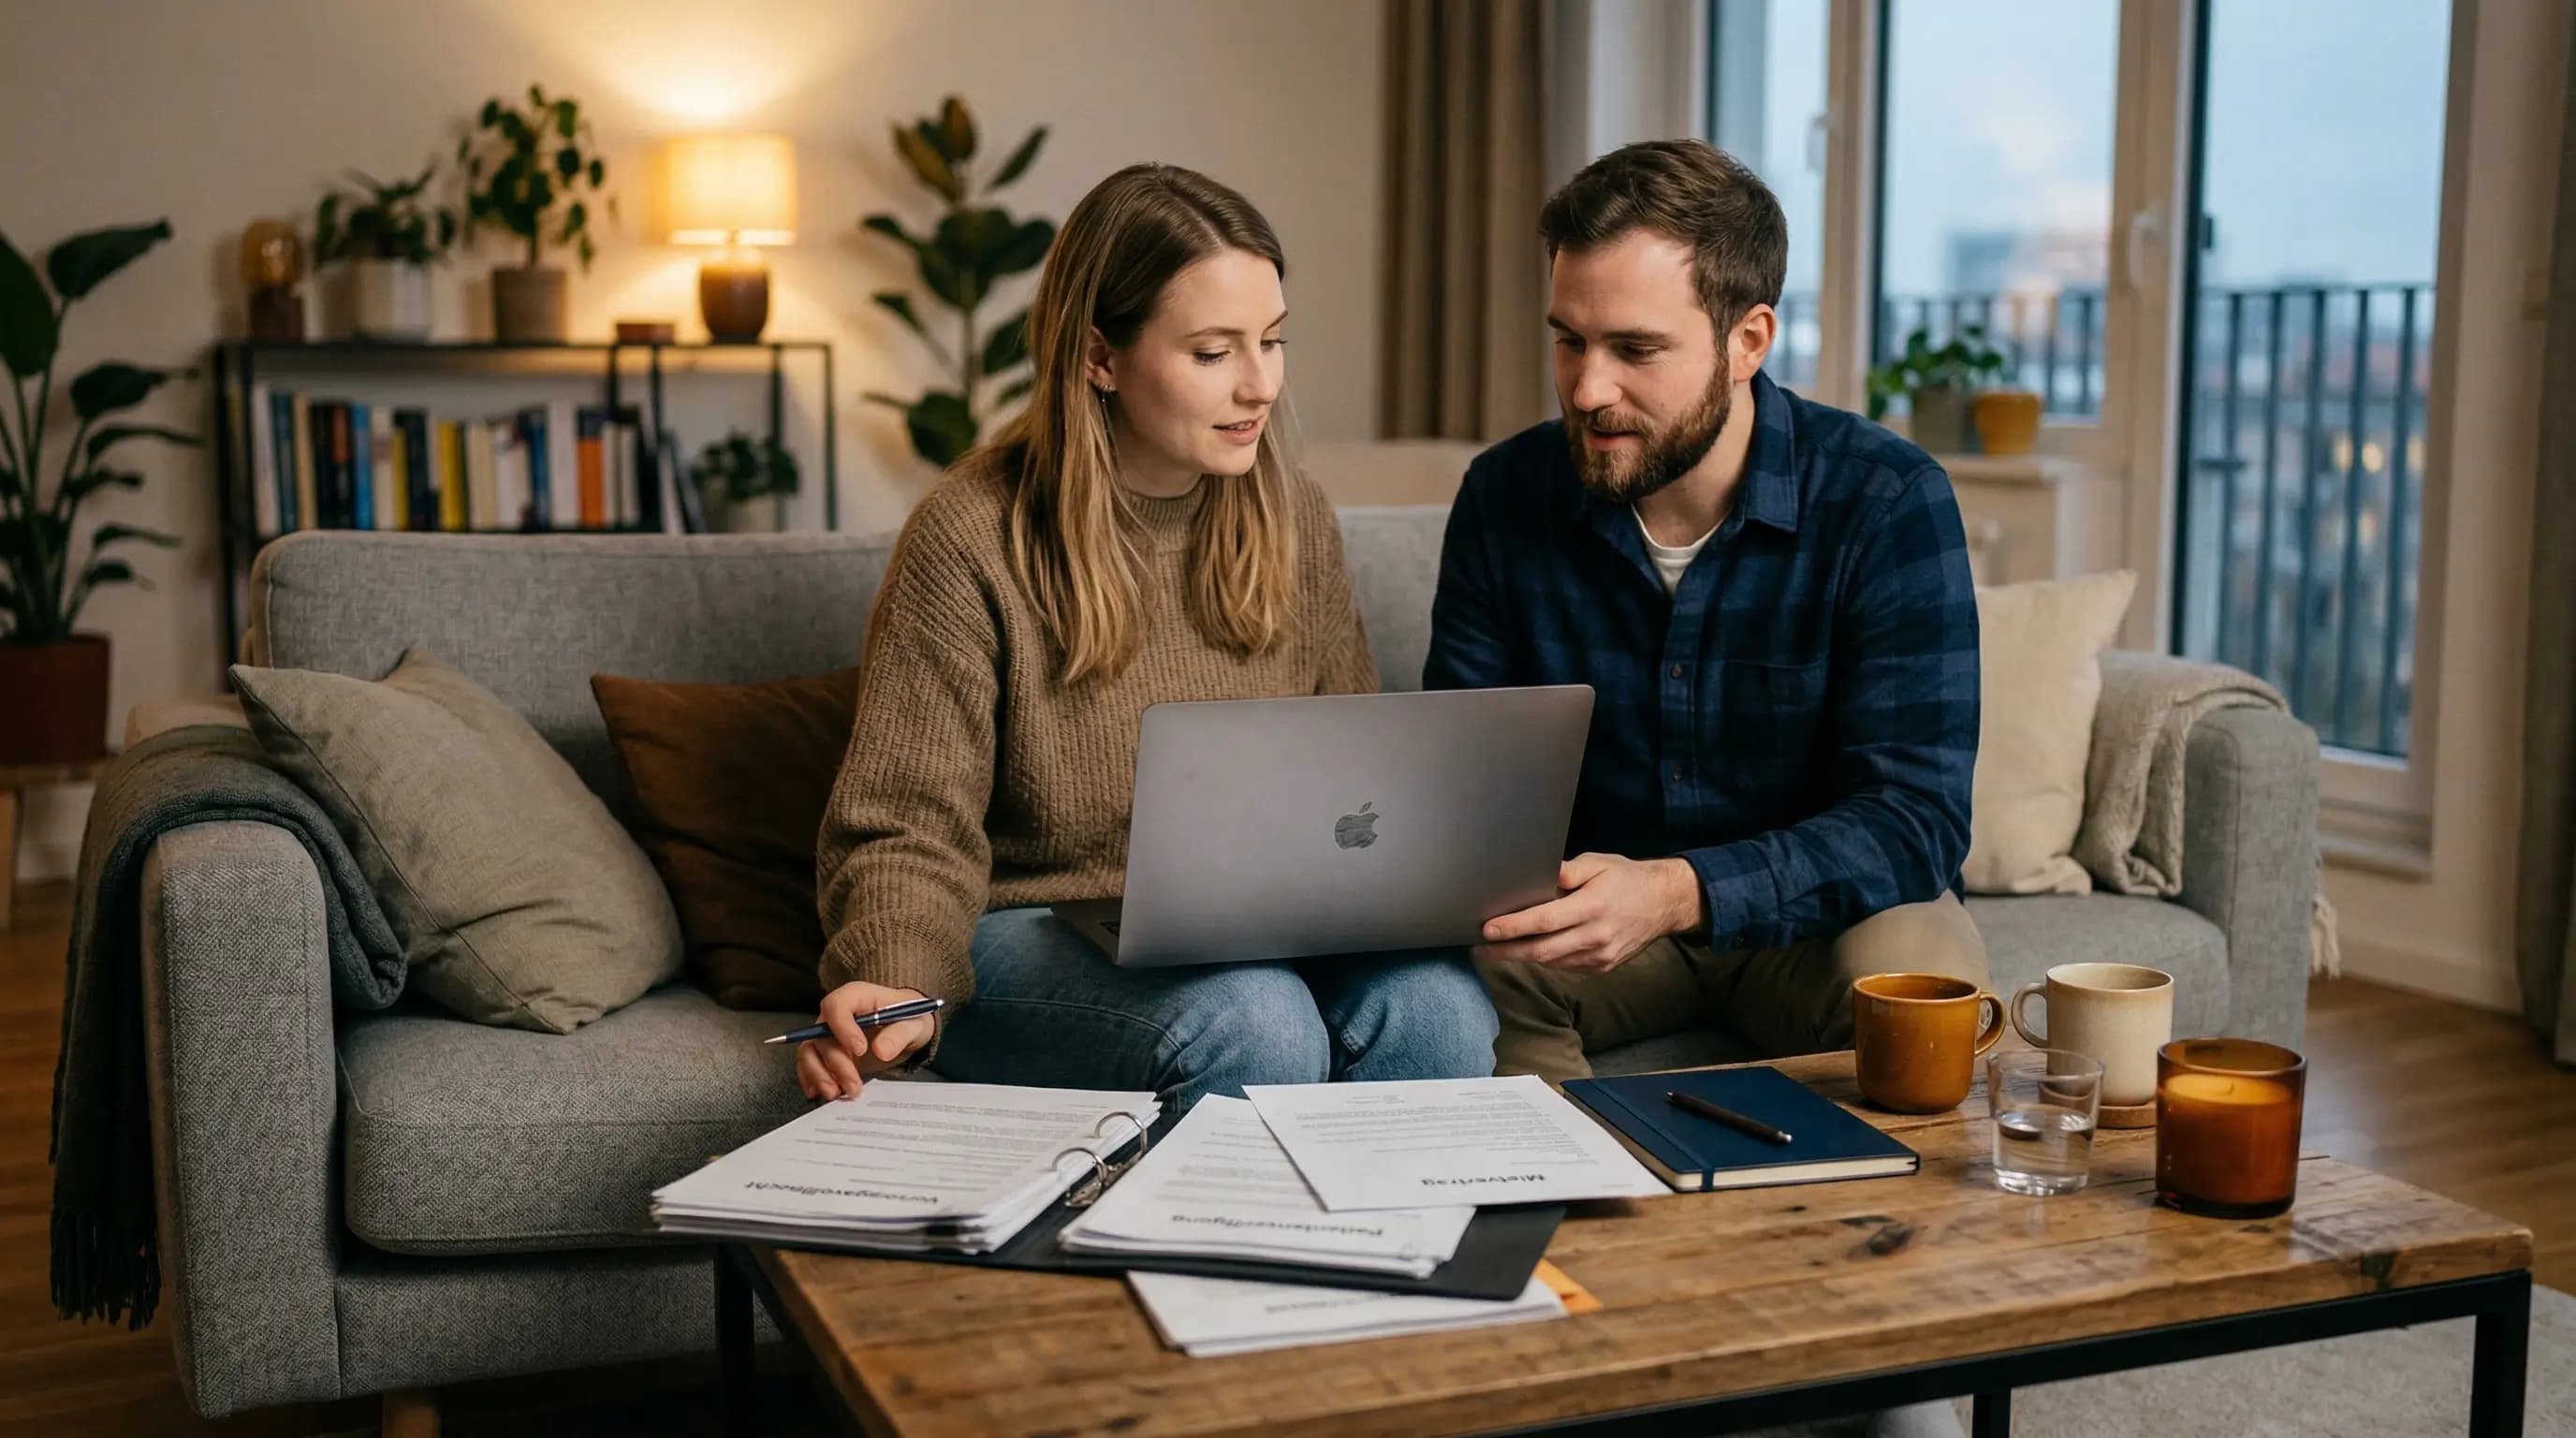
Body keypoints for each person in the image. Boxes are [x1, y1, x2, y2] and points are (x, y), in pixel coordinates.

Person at [798, 163, 1497, 1114]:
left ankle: (1385, 1260)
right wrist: (891, 971)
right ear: (1099, 357)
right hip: (1032, 923)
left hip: (1257, 931)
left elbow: (1352, 784)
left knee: (1439, 1011)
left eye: (1273, 341)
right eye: (1213, 352)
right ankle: (1198, 1264)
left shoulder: (1293, 514)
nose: (1259, 386)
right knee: (1255, 1021)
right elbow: (908, 815)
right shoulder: (971, 532)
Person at [1429, 138, 1987, 1084]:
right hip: (1596, 926)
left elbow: (1914, 817)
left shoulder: (1885, 500)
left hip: (1820, 923)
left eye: (1635, 349)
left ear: (1748, 341)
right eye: (1568, 339)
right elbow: (1459, 785)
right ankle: (1570, 1220)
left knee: (1922, 990)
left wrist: (1680, 891)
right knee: (1442, 991)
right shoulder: (1504, 496)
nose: (1586, 388)